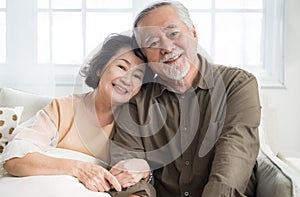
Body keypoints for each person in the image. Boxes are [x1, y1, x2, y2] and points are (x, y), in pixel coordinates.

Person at [110, 1, 261, 197]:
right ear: (146, 56)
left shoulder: (237, 84)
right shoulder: (136, 103)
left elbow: (234, 153)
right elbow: (127, 168)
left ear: (194, 33)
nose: (166, 47)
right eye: (153, 43)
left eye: (173, 33)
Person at [0, 34, 155, 197]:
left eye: (137, 76)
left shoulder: (137, 123)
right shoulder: (63, 108)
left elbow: (141, 182)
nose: (127, 80)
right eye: (122, 67)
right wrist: (79, 168)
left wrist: (144, 170)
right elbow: (14, 159)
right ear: (100, 68)